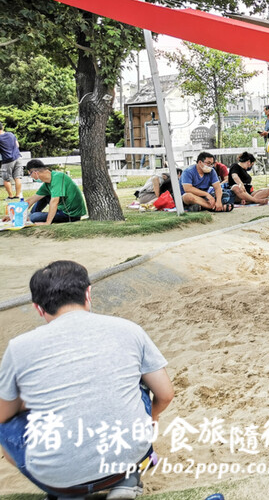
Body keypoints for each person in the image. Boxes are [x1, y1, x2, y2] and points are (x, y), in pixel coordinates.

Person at [0, 260, 174, 499]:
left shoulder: (18, 348)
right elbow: (165, 394)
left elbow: (4, 416)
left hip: (58, 480)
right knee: (139, 386)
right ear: (88, 293)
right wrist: (149, 421)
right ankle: (128, 479)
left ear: (38, 308)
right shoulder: (128, 329)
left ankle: (67, 487)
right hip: (130, 456)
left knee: (8, 423)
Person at [4, 159, 87, 225]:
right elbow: (31, 200)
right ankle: (29, 216)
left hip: (70, 215)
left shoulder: (58, 178)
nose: (30, 177)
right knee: (43, 197)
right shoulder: (48, 183)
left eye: (30, 174)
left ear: (35, 173)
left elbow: (54, 201)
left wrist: (47, 223)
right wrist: (13, 215)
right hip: (61, 209)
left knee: (34, 218)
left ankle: (32, 216)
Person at [0, 120, 23, 200]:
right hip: (18, 157)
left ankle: (10, 196)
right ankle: (17, 196)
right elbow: (17, 145)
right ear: (2, 127)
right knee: (18, 177)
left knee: (6, 179)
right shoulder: (10, 134)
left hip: (7, 161)